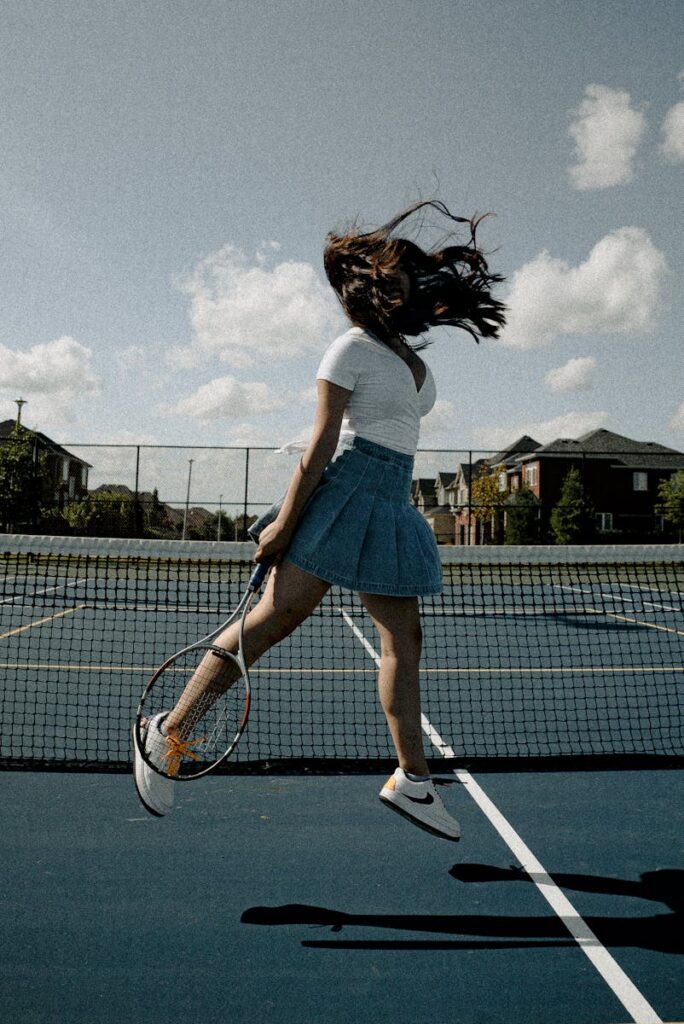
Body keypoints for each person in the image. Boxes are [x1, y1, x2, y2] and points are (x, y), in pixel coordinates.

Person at [134, 200, 506, 837]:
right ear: (368, 290)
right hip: (346, 493)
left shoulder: (403, 354)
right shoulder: (348, 349)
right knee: (271, 623)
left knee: (405, 642)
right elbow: (321, 446)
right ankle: (169, 735)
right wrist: (283, 523)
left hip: (390, 504)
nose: (400, 282)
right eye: (386, 277)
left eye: (402, 275)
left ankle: (413, 781)